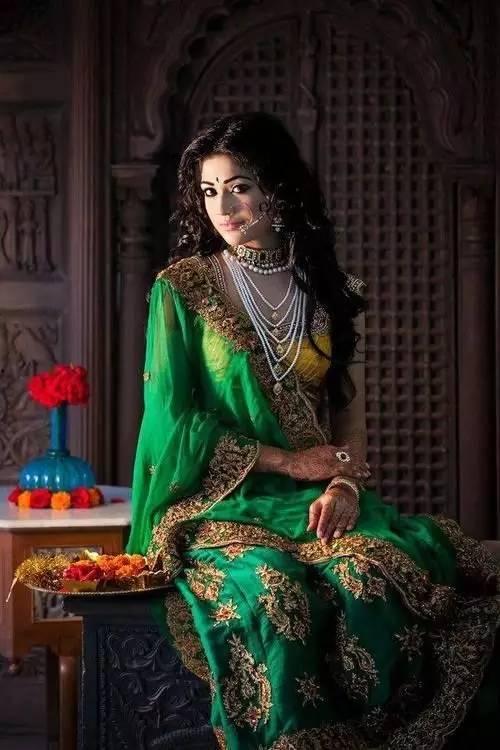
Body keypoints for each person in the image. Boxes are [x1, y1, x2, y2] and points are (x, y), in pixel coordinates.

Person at [127, 112, 500, 749]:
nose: (223, 207)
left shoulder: (333, 290)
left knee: (369, 579)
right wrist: (289, 462)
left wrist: (344, 486)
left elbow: (348, 413)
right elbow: (174, 422)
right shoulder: (183, 290)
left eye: (239, 187)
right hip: (220, 499)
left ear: (279, 188)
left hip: (316, 498)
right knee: (273, 590)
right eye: (210, 191)